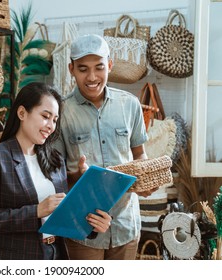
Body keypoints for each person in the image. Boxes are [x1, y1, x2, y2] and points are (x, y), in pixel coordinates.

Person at [0, 82, 110, 260]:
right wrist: (35, 211)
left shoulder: (55, 159)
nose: (51, 126)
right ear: (22, 113)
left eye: (55, 119)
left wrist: (92, 225)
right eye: (45, 116)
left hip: (56, 255)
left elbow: (63, 215)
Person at [54, 34, 153, 260]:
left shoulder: (130, 104)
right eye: (83, 69)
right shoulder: (61, 112)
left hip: (125, 223)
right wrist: (77, 176)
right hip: (82, 227)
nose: (92, 77)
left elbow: (140, 154)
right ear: (71, 69)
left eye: (99, 67)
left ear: (109, 65)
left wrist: (145, 177)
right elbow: (54, 175)